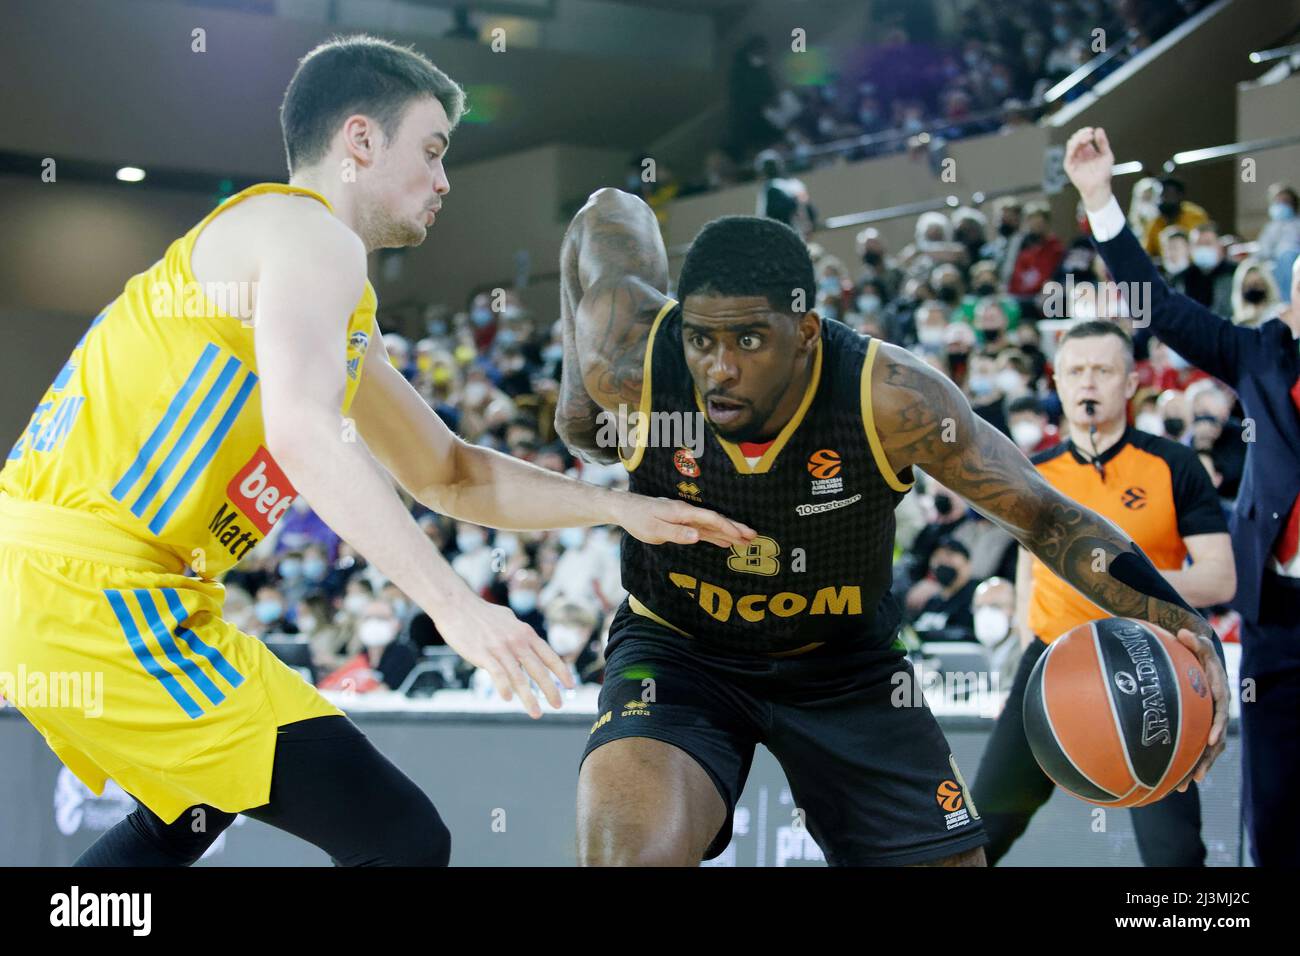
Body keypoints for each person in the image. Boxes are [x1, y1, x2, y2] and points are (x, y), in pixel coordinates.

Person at [0, 34, 752, 869]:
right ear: (360, 141)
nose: (443, 181)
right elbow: (302, 431)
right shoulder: (306, 235)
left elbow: (450, 472)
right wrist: (457, 608)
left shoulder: (322, 288)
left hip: (72, 584)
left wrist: (616, 507)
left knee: (192, 811)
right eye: (431, 153)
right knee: (398, 836)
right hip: (94, 587)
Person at [554, 190, 1228, 866]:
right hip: (680, 652)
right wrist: (574, 402)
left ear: (807, 333)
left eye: (751, 340)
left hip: (845, 667)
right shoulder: (632, 360)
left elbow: (1046, 516)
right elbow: (608, 211)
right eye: (701, 340)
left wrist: (1185, 621)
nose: (720, 368)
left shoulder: (892, 398)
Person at [1067, 127, 1300, 866]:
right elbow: (1161, 310)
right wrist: (1101, 201)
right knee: (1280, 821)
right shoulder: (1262, 353)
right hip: (1281, 622)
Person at [972, 320, 1235, 866]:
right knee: (982, 829)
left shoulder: (1173, 464)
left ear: (1131, 381)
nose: (1087, 382)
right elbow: (1030, 573)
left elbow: (1220, 576)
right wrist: (1026, 647)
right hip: (1051, 661)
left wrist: (1120, 585)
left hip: (1150, 666)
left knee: (1174, 854)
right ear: (1058, 382)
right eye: (1075, 371)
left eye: (1102, 369)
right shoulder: (1032, 472)